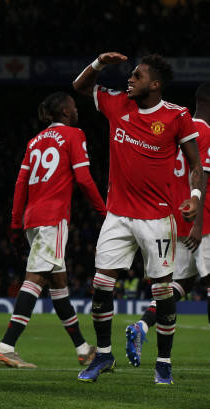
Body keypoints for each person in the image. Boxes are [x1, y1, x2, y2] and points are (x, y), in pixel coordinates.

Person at [72, 52, 204, 384]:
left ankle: (163, 362)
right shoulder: (118, 105)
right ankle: (103, 356)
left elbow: (197, 166)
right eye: (130, 74)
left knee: (162, 291)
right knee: (101, 286)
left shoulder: (177, 116)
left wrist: (194, 197)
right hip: (117, 214)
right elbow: (79, 86)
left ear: (155, 84)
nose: (129, 79)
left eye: (138, 76)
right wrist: (99, 62)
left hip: (157, 218)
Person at [0, 92, 106, 369]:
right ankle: (6, 347)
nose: (77, 111)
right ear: (66, 112)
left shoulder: (34, 142)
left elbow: (21, 185)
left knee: (59, 285)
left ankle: (82, 349)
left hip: (33, 218)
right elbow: (84, 178)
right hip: (52, 218)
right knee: (36, 280)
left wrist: (16, 225)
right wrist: (104, 211)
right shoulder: (74, 135)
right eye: (75, 107)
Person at [125, 81, 210, 367]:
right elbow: (202, 177)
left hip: (172, 219)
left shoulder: (176, 127)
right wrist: (198, 226)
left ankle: (142, 326)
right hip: (200, 222)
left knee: (180, 283)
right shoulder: (204, 132)